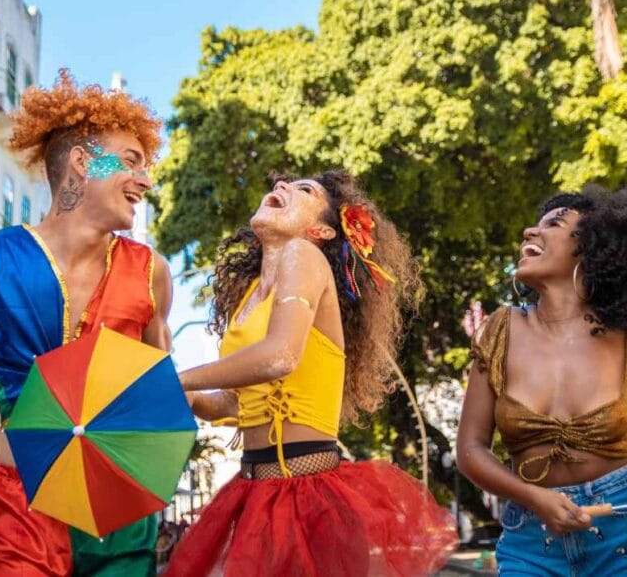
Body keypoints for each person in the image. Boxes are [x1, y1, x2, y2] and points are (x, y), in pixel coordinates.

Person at [0, 70, 172, 575]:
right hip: (21, 508)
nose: (145, 179)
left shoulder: (153, 273)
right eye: (130, 161)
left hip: (120, 515)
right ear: (82, 161)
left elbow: (161, 396)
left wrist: (231, 393)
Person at [166, 171, 458, 576]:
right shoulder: (249, 295)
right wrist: (197, 400)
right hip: (255, 491)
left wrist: (182, 378)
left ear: (320, 229)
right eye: (283, 184)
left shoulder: (303, 255)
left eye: (304, 189)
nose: (282, 186)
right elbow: (239, 399)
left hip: (307, 495)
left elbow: (280, 356)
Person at [456, 186, 627, 576]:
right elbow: (471, 448)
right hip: (531, 538)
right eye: (534, 226)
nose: (530, 232)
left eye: (554, 224)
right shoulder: (499, 331)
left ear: (591, 248)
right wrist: (533, 497)